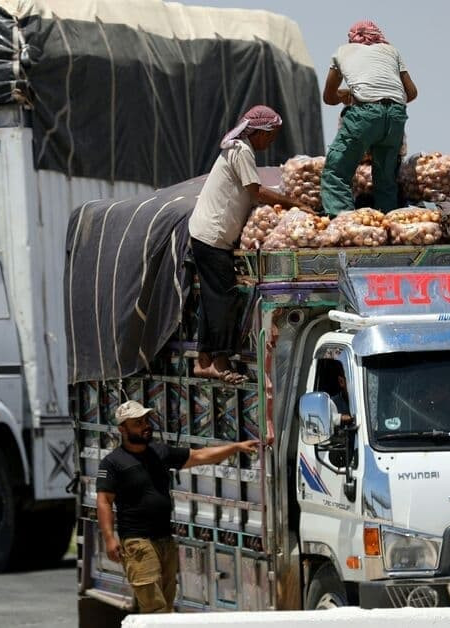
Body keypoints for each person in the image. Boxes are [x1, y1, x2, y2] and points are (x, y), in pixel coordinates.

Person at [96, 401, 259, 613]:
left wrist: (236, 447)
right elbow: (104, 501)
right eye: (137, 423)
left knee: (166, 605)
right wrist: (109, 538)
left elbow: (199, 456)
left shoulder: (159, 452)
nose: (145, 426)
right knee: (155, 607)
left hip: (165, 539)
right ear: (122, 429)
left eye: (146, 420)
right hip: (137, 542)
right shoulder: (113, 463)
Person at [188, 105, 301, 384]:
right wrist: (296, 204)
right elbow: (257, 191)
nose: (271, 141)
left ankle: (204, 362)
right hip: (212, 236)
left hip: (208, 235)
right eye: (271, 135)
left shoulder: (238, 150)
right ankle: (221, 361)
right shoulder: (241, 151)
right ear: (259, 132)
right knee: (224, 299)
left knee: (211, 298)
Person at [320, 20, 418, 215]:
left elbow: (328, 98)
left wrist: (345, 95)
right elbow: (412, 93)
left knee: (336, 172)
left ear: (352, 38)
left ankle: (343, 221)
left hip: (364, 114)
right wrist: (386, 100)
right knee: (386, 178)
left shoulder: (342, 51)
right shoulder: (391, 51)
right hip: (396, 115)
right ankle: (388, 223)